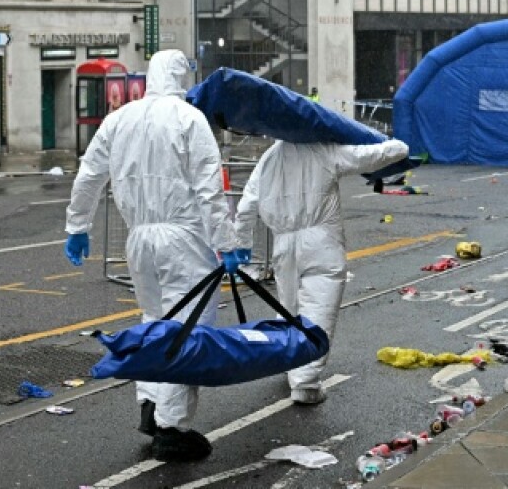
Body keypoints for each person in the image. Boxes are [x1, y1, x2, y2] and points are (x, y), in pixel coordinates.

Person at [63, 49, 246, 463]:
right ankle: (172, 429)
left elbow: (90, 174)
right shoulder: (189, 119)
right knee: (187, 331)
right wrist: (227, 242)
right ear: (182, 78)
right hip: (185, 240)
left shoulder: (119, 119)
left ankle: (150, 403)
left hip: (139, 239)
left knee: (154, 322)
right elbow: (208, 190)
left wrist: (77, 227)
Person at [233, 137, 409, 405]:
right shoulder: (323, 150)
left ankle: (288, 358)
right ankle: (305, 383)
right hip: (321, 240)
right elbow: (368, 156)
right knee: (318, 309)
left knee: (288, 309)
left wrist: (241, 245)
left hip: (283, 242)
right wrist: (398, 147)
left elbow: (246, 205)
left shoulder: (269, 158)